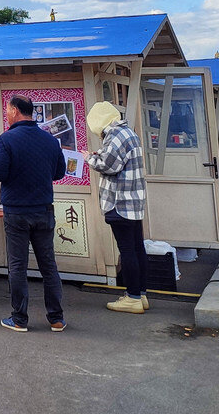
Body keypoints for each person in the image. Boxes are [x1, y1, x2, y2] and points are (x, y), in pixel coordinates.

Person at [0, 94, 66, 333]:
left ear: (14, 111)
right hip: (44, 210)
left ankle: (19, 319)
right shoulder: (49, 140)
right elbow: (59, 172)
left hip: (17, 213)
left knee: (18, 266)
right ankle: (56, 318)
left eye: (7, 109)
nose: (6, 113)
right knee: (48, 265)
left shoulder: (7, 139)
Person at [82, 102, 150, 315]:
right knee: (138, 248)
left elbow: (108, 166)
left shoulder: (115, 135)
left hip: (119, 202)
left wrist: (89, 158)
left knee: (127, 250)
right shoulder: (128, 132)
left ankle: (132, 297)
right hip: (133, 201)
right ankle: (141, 294)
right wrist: (100, 155)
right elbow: (116, 160)